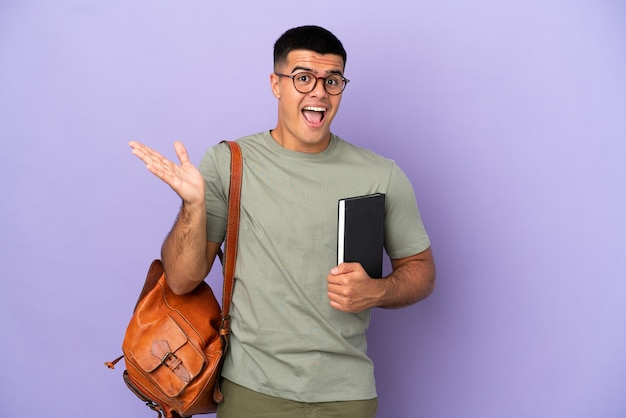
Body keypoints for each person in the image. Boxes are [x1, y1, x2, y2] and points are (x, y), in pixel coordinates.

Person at [129, 25, 435, 418]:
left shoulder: (381, 174)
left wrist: (375, 291)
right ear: (276, 84)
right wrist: (192, 206)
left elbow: (422, 270)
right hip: (251, 391)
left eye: (332, 80)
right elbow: (182, 280)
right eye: (303, 78)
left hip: (346, 396)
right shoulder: (229, 163)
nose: (319, 92)